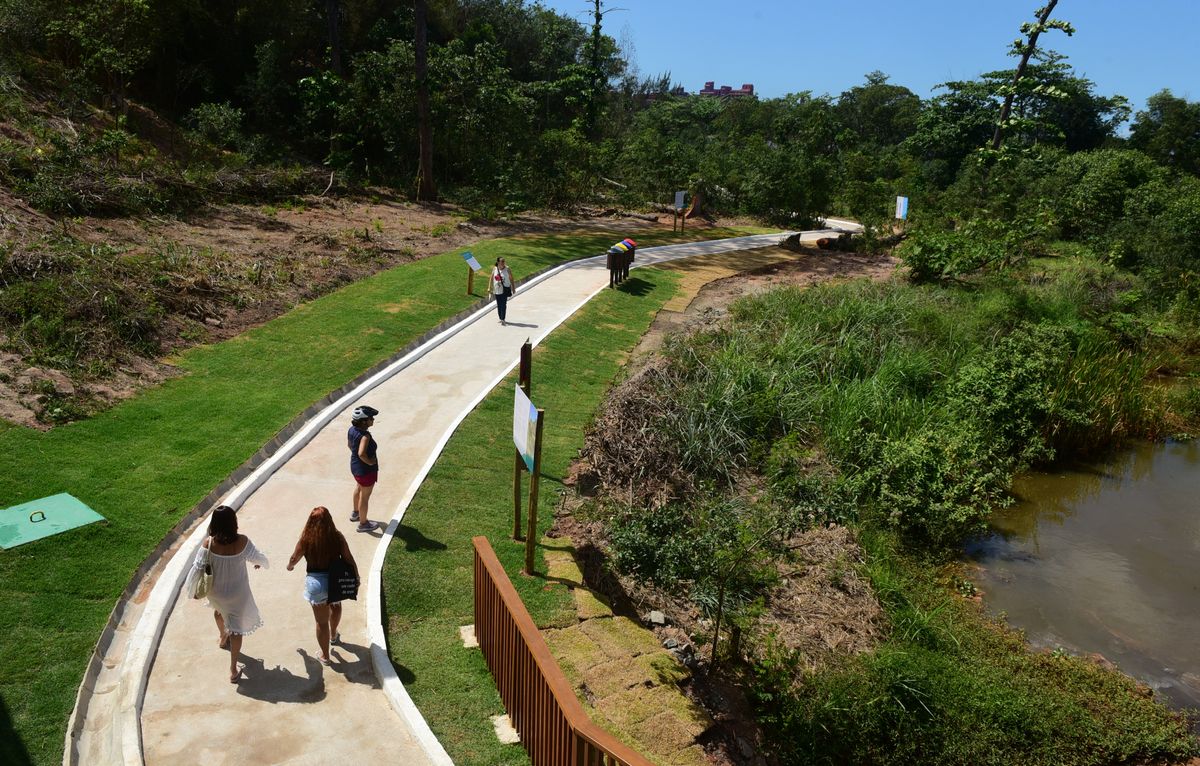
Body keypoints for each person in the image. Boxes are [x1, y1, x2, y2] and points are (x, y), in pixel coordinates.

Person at [186, 505, 267, 683]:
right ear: (233, 522)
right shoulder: (242, 541)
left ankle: (223, 637)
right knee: (237, 630)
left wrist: (193, 591)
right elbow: (258, 557)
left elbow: (197, 568)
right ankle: (233, 669)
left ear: (214, 523)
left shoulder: (208, 544)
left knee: (219, 611)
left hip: (215, 592)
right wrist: (260, 563)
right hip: (238, 594)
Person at [286, 506, 362, 666]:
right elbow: (348, 558)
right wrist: (356, 576)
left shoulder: (306, 539)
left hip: (316, 584)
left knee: (321, 623)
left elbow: (294, 557)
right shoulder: (337, 537)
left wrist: (290, 566)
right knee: (336, 605)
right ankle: (334, 635)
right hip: (336, 580)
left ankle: (325, 656)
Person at [347, 404, 381, 533]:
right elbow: (361, 453)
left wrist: (357, 456)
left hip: (355, 467)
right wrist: (371, 462)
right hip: (366, 471)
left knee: (358, 488)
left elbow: (350, 445)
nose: (373, 419)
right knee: (365, 497)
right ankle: (363, 523)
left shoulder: (351, 430)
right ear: (363, 421)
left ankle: (355, 513)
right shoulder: (365, 436)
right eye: (371, 418)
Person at [491, 257, 514, 324]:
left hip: (505, 289)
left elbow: (511, 278)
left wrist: (513, 288)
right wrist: (490, 287)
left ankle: (503, 318)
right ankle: (500, 318)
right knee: (499, 304)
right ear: (498, 262)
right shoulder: (495, 269)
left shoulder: (507, 269)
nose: (503, 263)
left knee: (503, 304)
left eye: (504, 261)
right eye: (502, 261)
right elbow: (491, 278)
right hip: (497, 289)